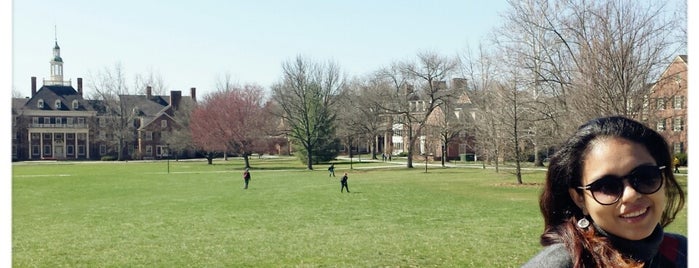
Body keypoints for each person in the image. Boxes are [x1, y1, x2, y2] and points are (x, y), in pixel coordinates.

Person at [522, 116, 686, 267]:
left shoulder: (683, 253)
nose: (631, 194)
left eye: (645, 177)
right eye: (607, 186)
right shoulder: (561, 263)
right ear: (579, 198)